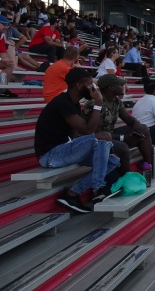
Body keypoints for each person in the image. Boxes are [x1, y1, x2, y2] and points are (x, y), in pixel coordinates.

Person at [34, 68, 120, 213]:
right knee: (104, 138)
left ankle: (72, 193)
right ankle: (98, 187)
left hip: (64, 149)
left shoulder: (73, 103)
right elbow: (88, 130)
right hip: (50, 155)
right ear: (79, 85)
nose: (93, 87)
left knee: (112, 161)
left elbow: (78, 133)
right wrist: (98, 103)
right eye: (89, 84)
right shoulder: (62, 103)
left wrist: (93, 145)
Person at [82, 74, 154, 172]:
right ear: (111, 87)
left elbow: (128, 119)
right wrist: (123, 137)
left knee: (143, 128)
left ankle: (148, 166)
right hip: (98, 139)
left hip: (111, 134)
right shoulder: (95, 103)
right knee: (123, 147)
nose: (122, 87)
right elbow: (97, 133)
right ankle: (126, 178)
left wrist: (137, 125)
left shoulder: (116, 101)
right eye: (119, 85)